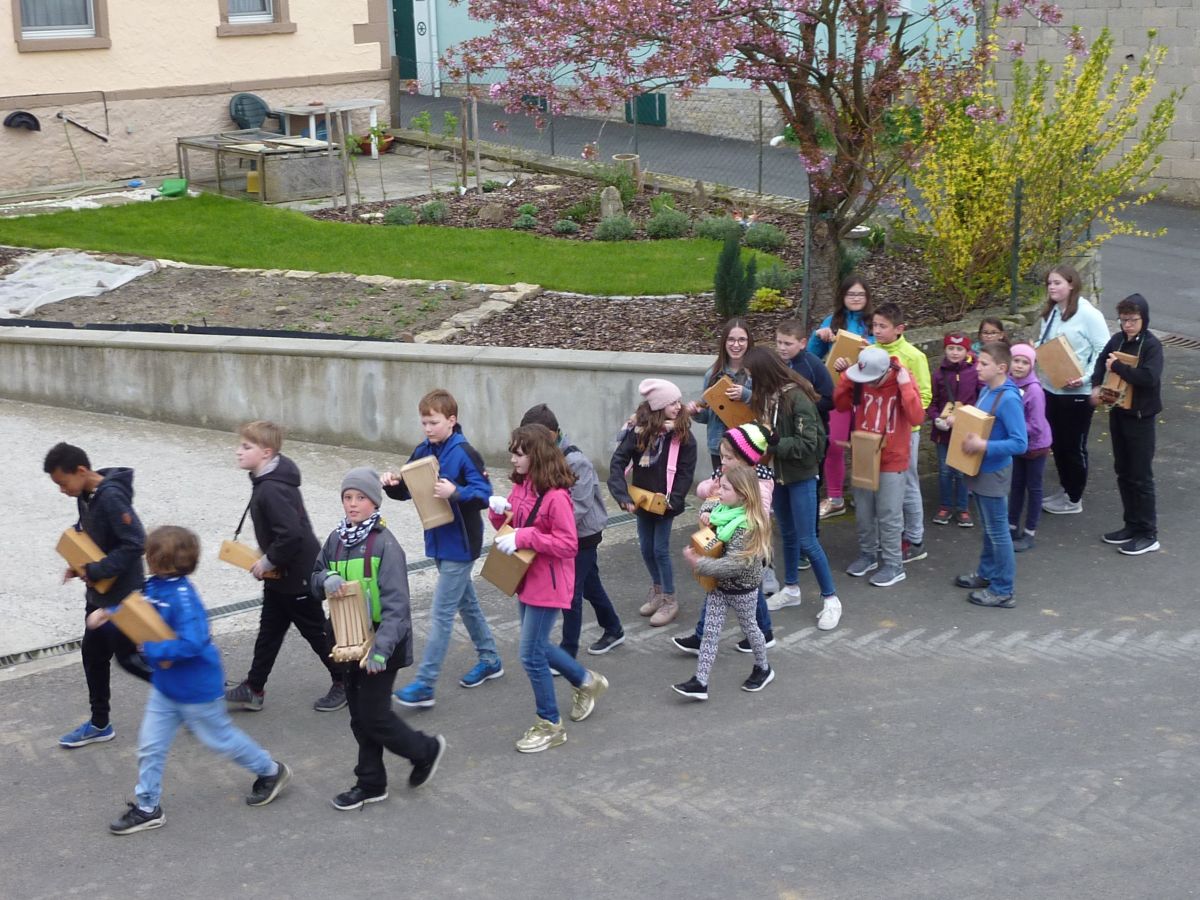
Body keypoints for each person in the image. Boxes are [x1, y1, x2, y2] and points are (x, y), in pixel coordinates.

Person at [93, 526, 291, 835]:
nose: (145, 559)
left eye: (149, 554)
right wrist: (111, 613)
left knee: (220, 739)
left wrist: (151, 649)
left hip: (197, 689)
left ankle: (270, 770)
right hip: (166, 687)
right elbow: (139, 608)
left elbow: (193, 642)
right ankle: (147, 807)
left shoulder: (184, 599)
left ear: (159, 560)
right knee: (150, 747)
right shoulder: (156, 586)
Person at [313, 469, 447, 810]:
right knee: (360, 718)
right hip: (347, 641)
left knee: (374, 715)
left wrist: (380, 651)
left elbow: (397, 607)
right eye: (347, 497)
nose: (353, 504)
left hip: (381, 645)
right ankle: (371, 783)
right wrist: (325, 578)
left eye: (360, 497)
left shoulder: (385, 544)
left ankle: (425, 750)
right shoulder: (335, 540)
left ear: (374, 502)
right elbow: (314, 575)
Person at [489, 425, 609, 752]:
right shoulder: (522, 485)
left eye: (519, 453)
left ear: (536, 455)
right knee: (538, 646)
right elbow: (515, 526)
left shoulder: (556, 496)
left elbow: (568, 544)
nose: (512, 458)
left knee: (530, 654)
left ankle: (550, 724)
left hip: (549, 584)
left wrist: (524, 537)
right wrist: (499, 514)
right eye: (512, 452)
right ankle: (586, 681)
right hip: (526, 577)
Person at [384, 389, 503, 709]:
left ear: (452, 420)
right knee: (467, 604)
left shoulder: (464, 452)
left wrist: (456, 492)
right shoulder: (423, 450)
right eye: (424, 422)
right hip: (437, 539)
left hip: (461, 544)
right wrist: (392, 485)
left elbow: (485, 495)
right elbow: (407, 490)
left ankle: (425, 684)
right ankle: (490, 659)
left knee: (441, 613)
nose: (427, 428)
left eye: (433, 422)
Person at [223, 420, 345, 714]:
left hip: (298, 576)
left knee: (317, 633)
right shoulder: (268, 480)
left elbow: (290, 535)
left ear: (266, 452)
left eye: (246, 446)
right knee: (269, 633)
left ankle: (345, 681)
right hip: (284, 575)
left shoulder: (271, 489)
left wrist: (266, 561)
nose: (238, 451)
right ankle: (254, 688)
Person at [44, 442, 152, 749]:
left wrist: (95, 570)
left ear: (81, 471)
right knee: (93, 655)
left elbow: (136, 543)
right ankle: (100, 723)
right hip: (100, 594)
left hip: (123, 596)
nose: (62, 490)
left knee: (130, 660)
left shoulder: (111, 496)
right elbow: (94, 537)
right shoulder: (86, 495)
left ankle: (194, 696)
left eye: (63, 483)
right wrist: (78, 564)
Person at [744, 346, 843, 630]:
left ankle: (831, 599)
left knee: (807, 540)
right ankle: (791, 589)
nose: (750, 382)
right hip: (779, 477)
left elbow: (810, 444)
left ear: (764, 374)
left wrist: (773, 443)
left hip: (801, 477)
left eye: (752, 376)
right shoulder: (770, 398)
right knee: (786, 534)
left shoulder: (797, 397)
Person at [519, 404, 625, 656]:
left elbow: (578, 506)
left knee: (570, 593)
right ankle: (614, 628)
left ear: (551, 434)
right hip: (563, 536)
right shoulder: (544, 459)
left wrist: (544, 530)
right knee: (590, 585)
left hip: (583, 536)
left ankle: (568, 652)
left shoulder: (576, 462)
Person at [672, 467, 775, 700]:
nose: (719, 491)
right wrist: (706, 514)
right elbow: (709, 503)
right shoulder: (724, 508)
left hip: (742, 588)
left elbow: (734, 565)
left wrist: (699, 563)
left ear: (743, 495)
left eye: (725, 488)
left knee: (750, 628)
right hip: (719, 586)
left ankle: (763, 667)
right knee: (710, 632)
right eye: (720, 486)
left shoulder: (747, 526)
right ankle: (700, 682)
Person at [673, 424, 777, 653]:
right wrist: (711, 496)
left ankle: (707, 637)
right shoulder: (726, 476)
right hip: (729, 545)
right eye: (722, 456)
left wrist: (721, 506)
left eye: (729, 457)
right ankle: (761, 633)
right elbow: (706, 492)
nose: (723, 462)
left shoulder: (759, 483)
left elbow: (757, 515)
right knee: (738, 590)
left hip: (747, 548)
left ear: (747, 459)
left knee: (736, 589)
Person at [608, 378, 698, 627]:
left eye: (679, 401)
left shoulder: (683, 437)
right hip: (642, 500)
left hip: (665, 503)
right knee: (646, 548)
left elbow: (685, 473)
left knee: (660, 549)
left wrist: (674, 500)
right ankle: (658, 591)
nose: (678, 407)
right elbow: (618, 462)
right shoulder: (640, 433)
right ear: (658, 406)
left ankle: (670, 598)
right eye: (672, 403)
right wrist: (622, 496)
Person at [834, 346, 925, 588]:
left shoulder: (902, 379)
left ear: (885, 372)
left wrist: (906, 387)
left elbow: (917, 417)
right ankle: (868, 554)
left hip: (893, 457)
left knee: (889, 514)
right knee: (864, 511)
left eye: (872, 380)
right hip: (864, 451)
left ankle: (894, 565)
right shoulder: (860, 378)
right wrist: (846, 379)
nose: (868, 383)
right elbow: (841, 405)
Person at [951, 344, 1028, 608]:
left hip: (993, 472)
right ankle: (987, 574)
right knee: (988, 528)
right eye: (978, 362)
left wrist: (983, 446)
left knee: (998, 532)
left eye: (984, 364)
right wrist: (959, 422)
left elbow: (1020, 443)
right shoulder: (987, 390)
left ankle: (1003, 590)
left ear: (1001, 368)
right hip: (981, 469)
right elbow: (981, 423)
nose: (977, 367)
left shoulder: (1008, 399)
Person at [1089, 293, 1164, 556]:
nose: (1127, 325)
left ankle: (1148, 533)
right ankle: (1131, 525)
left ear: (1144, 319)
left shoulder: (1152, 346)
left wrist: (1119, 367)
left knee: (1141, 476)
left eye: (1133, 320)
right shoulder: (1118, 339)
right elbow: (1101, 361)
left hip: (1141, 418)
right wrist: (1096, 385)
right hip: (1119, 412)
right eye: (1123, 320)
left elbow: (1149, 378)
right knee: (1123, 471)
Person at [1034, 264, 1110, 515]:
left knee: (1073, 445)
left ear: (1071, 284)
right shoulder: (1051, 312)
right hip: (1051, 388)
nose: (1051, 287)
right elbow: (1045, 343)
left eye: (1057, 282)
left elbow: (1103, 350)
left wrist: (1086, 377)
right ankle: (1066, 489)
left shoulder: (1088, 314)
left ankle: (1074, 498)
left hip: (1077, 393)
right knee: (1057, 443)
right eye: (1049, 283)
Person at [807, 274, 875, 520]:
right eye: (850, 294)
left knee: (864, 445)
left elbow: (886, 353)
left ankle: (864, 494)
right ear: (842, 296)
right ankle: (835, 499)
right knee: (834, 445)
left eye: (860, 294)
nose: (855, 298)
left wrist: (870, 348)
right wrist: (818, 336)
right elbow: (811, 356)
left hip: (867, 394)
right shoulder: (832, 321)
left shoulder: (874, 323)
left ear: (867, 297)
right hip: (838, 391)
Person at [871, 302, 932, 564]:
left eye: (883, 326)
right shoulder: (870, 352)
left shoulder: (913, 356)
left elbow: (925, 396)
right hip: (876, 432)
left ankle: (915, 538)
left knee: (907, 484)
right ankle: (889, 537)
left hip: (906, 432)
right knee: (880, 487)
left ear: (900, 329)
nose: (877, 331)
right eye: (874, 325)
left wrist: (905, 415)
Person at [687, 318, 754, 473]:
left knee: (746, 487)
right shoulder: (712, 374)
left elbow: (766, 407)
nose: (736, 345)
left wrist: (746, 395)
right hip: (719, 446)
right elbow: (707, 415)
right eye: (731, 339)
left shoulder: (756, 372)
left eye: (741, 340)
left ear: (749, 342)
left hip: (748, 444)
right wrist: (696, 413)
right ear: (724, 342)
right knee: (720, 485)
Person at [928, 333, 980, 527]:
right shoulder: (938, 374)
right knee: (944, 471)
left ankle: (963, 508)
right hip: (943, 432)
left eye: (959, 349)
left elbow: (980, 400)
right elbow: (932, 402)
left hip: (965, 430)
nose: (955, 352)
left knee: (961, 471)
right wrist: (936, 418)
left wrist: (965, 417)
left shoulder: (974, 373)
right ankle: (945, 506)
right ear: (945, 350)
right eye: (951, 348)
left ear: (967, 351)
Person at [1007, 344, 1052, 552]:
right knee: (1016, 485)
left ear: (1032, 366)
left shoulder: (1034, 390)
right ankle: (1011, 526)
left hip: (1035, 446)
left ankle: (1029, 532)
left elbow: (1036, 425)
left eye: (1025, 362)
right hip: (1018, 445)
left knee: (1034, 488)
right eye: (1016, 360)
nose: (1019, 366)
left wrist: (1012, 427)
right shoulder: (1009, 383)